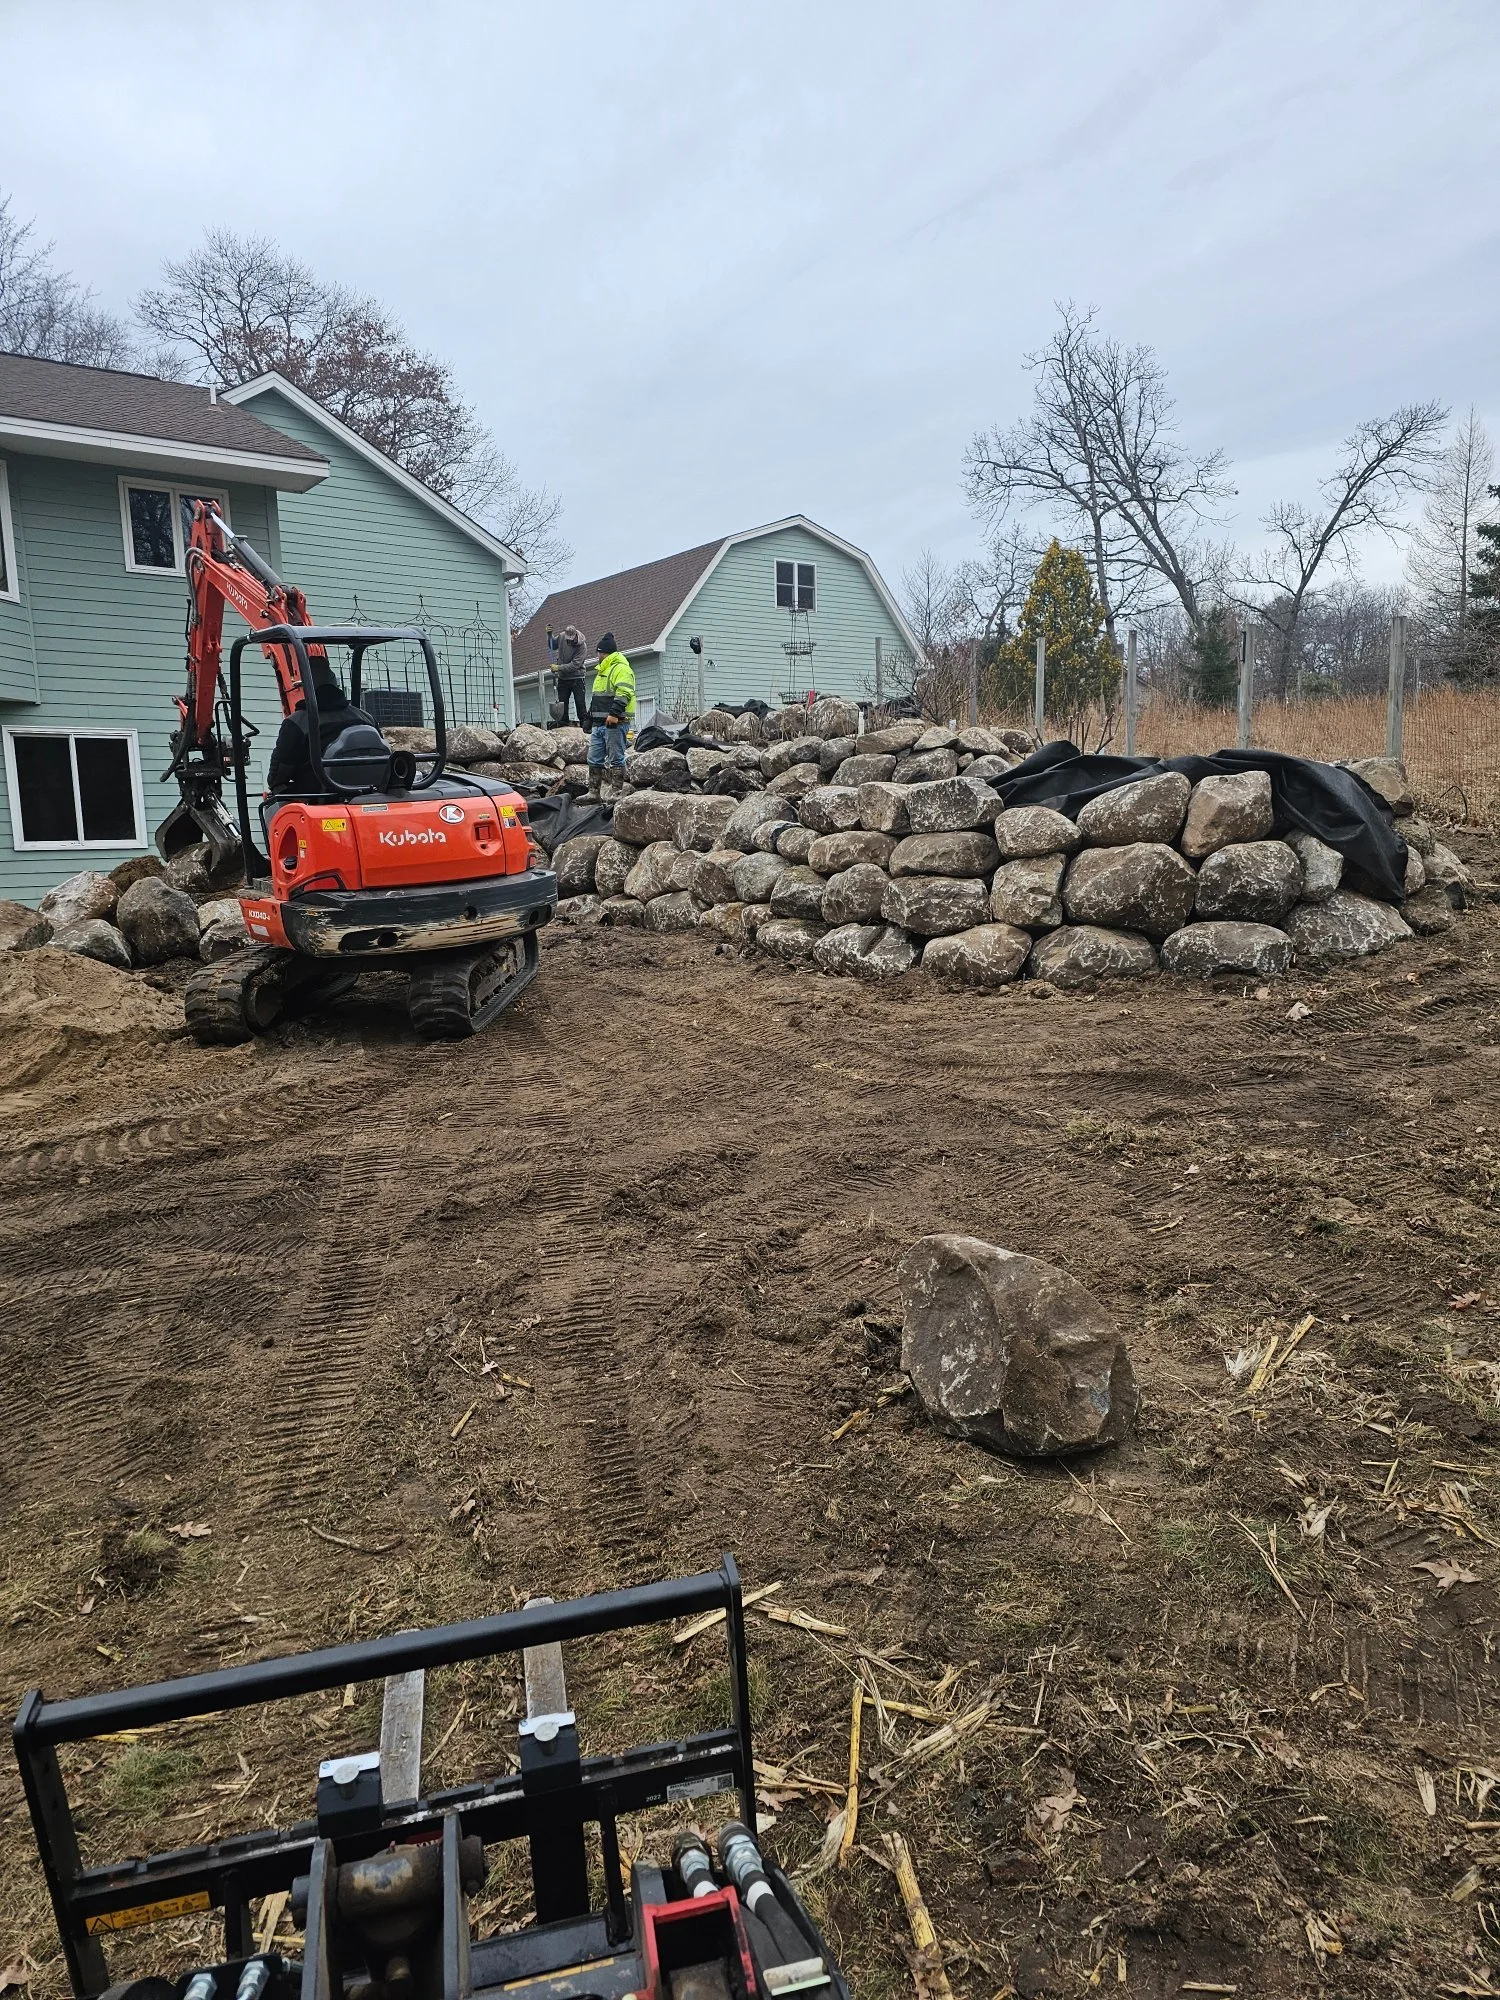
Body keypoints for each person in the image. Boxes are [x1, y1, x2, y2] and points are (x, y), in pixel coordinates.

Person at [267, 658, 380, 795]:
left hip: (320, 797)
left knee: (276, 794)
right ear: (334, 682)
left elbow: (279, 774)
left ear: (306, 686)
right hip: (369, 794)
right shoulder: (366, 718)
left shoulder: (297, 723)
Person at [586, 630, 635, 797]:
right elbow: (597, 698)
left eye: (598, 652)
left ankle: (616, 793)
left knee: (616, 759)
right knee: (594, 759)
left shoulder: (621, 669)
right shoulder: (602, 671)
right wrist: (589, 717)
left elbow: (624, 693)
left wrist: (614, 714)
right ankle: (593, 793)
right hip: (599, 724)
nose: (597, 655)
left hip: (615, 723)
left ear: (603, 653)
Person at [553, 624, 590, 728]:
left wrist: (558, 668)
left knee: (580, 703)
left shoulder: (582, 646)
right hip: (563, 678)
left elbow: (574, 665)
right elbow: (552, 645)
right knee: (562, 703)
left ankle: (585, 727)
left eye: (571, 640)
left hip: (577, 678)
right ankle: (563, 726)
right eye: (567, 639)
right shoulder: (561, 637)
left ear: (575, 635)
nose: (569, 642)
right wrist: (549, 635)